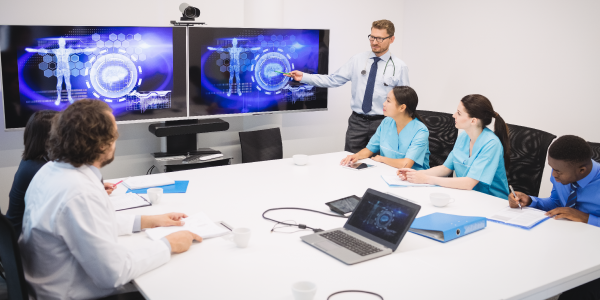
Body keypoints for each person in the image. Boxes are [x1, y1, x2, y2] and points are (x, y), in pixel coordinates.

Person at [19, 99, 202, 300]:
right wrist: (168, 244)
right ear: (102, 144)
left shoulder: (51, 171)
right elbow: (114, 274)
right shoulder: (79, 193)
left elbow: (87, 225)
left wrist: (148, 221)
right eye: (114, 135)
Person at [286, 19, 410, 153]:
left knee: (380, 163)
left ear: (391, 39)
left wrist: (402, 128)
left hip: (384, 123)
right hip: (357, 122)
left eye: (379, 39)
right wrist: (304, 77)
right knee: (351, 162)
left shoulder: (399, 66)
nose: (374, 42)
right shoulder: (357, 60)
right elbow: (332, 80)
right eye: (372, 37)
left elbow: (405, 100)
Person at [508, 135, 600, 299]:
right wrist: (530, 200)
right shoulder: (561, 176)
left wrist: (586, 218)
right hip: (564, 244)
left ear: (582, 170)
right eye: (551, 167)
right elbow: (555, 203)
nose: (553, 175)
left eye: (558, 171)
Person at [398, 94, 510, 199]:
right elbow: (445, 168)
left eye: (459, 113)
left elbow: (469, 183)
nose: (453, 115)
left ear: (473, 120)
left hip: (492, 201)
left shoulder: (491, 143)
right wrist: (414, 174)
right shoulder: (463, 137)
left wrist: (426, 179)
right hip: (469, 197)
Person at [340, 86, 430, 170]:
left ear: (402, 107)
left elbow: (406, 164)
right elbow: (369, 149)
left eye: (388, 101)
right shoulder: (386, 122)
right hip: (387, 172)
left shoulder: (420, 131)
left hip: (413, 178)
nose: (384, 104)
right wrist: (356, 156)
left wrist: (382, 159)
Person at [6, 110, 58, 236]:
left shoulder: (30, 161)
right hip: (23, 240)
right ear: (49, 137)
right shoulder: (40, 169)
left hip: (16, 235)